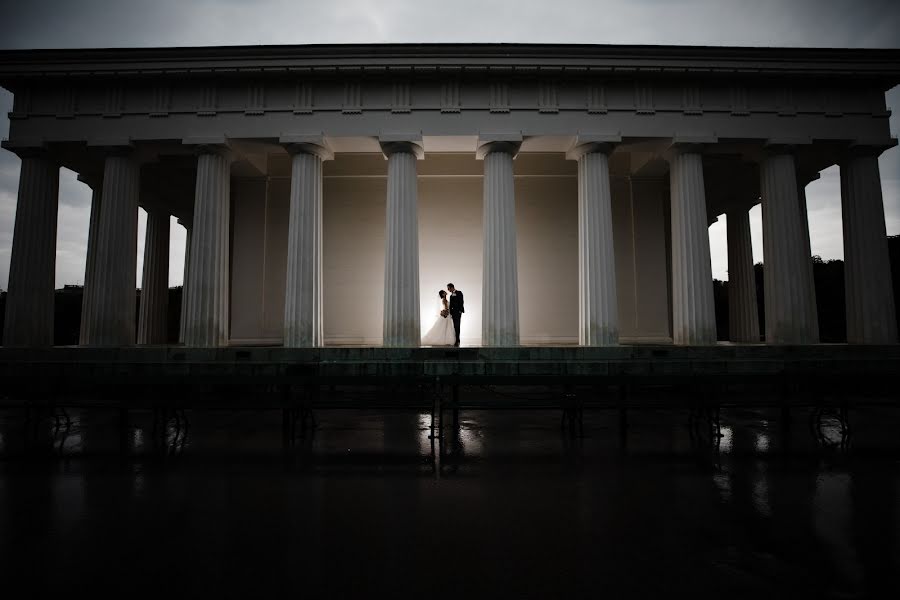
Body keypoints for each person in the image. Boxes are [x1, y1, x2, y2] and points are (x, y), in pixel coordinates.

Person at [447, 283, 464, 347]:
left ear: (451, 287)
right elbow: (451, 305)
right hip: (453, 313)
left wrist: (460, 311)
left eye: (448, 288)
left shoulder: (459, 292)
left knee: (457, 325)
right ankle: (456, 339)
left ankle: (457, 340)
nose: (448, 290)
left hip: (458, 312)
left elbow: (461, 301)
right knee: (455, 326)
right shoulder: (451, 296)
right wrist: (450, 313)